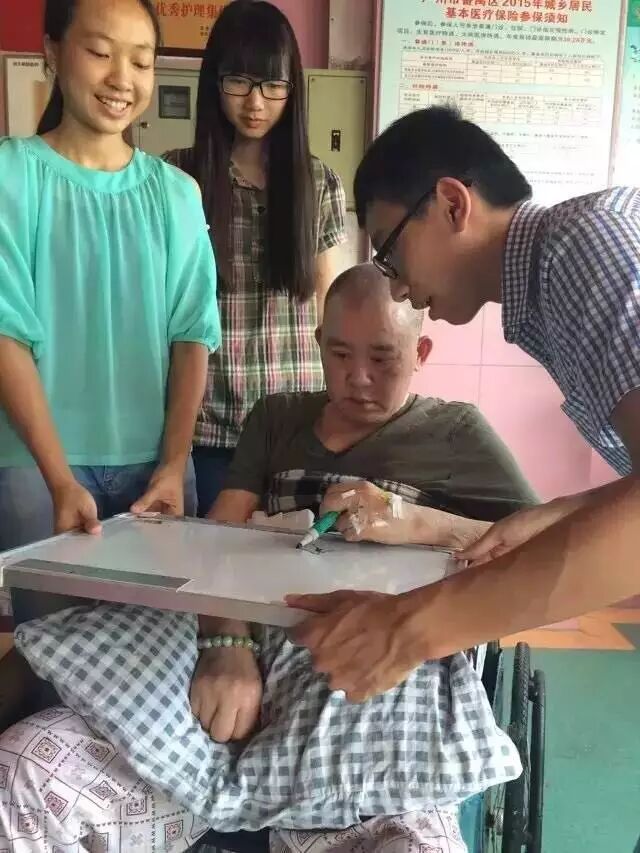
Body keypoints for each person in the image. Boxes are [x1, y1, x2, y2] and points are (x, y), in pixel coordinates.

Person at [0, 265, 533, 852]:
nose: (358, 378)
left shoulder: (456, 431)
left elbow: (539, 544)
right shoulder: (278, 417)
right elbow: (217, 539)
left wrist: (417, 521)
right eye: (339, 355)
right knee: (25, 764)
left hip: (370, 668)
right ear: (318, 345)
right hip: (245, 643)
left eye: (383, 358)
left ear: (421, 352)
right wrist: (226, 643)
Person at [286, 104, 640, 699]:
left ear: (453, 204)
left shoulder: (584, 247)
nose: (398, 287)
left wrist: (409, 631)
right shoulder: (553, 278)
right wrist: (561, 515)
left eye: (390, 254)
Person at [0, 0, 220, 624]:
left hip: (157, 473)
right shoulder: (11, 174)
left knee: (162, 653)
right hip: (35, 469)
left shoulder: (176, 193)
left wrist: (174, 465)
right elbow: (6, 332)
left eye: (142, 61)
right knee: (52, 657)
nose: (122, 78)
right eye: (99, 53)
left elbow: (192, 336)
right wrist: (58, 478)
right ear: (52, 51)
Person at [164, 0, 347, 515]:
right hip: (209, 427)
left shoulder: (318, 182)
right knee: (206, 558)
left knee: (294, 560)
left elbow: (331, 305)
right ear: (214, 82)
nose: (255, 102)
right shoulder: (178, 179)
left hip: (297, 425)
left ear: (293, 88)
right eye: (239, 82)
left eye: (272, 85)